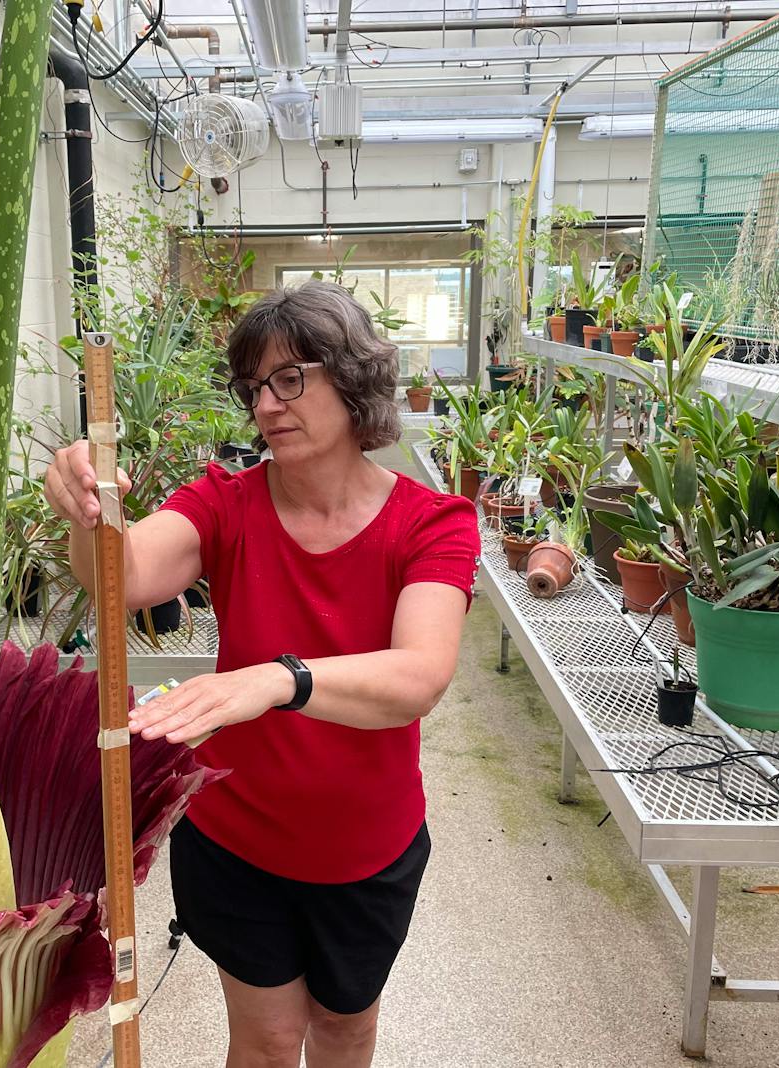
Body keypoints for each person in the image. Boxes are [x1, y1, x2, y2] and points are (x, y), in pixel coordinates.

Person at [44, 280, 480, 1068]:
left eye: (290, 378)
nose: (269, 404)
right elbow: (126, 576)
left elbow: (420, 676)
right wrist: (86, 514)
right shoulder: (226, 504)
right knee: (270, 1041)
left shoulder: (432, 524)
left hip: (366, 852)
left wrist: (280, 680)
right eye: (255, 387)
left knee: (345, 1031)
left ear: (351, 378)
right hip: (236, 841)